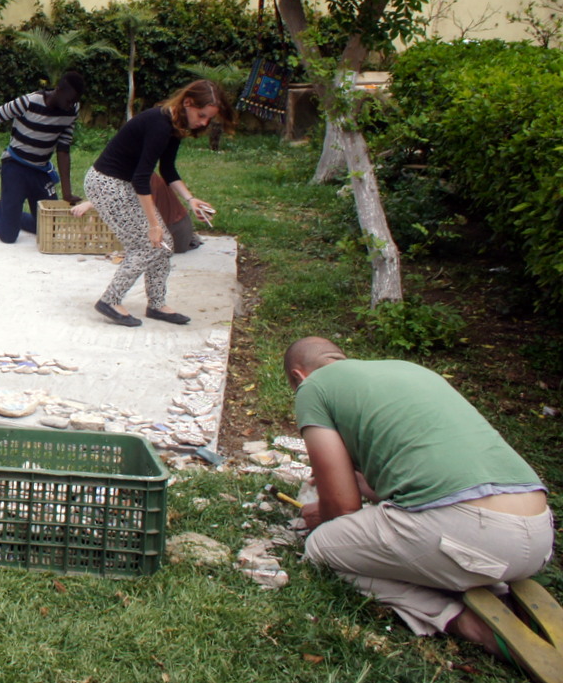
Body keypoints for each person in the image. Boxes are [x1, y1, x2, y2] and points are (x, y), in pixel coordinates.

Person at [284, 336, 554, 652]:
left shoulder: (312, 387)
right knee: (424, 529)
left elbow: (343, 508)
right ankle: (496, 592)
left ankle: (466, 622)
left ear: (297, 376)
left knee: (322, 547)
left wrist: (324, 514)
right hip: (538, 532)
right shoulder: (409, 370)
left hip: (475, 534)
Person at [82, 79, 229, 328]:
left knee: (163, 244)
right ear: (188, 103)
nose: (203, 123)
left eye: (208, 119)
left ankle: (157, 304)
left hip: (123, 183)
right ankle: (110, 300)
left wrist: (191, 199)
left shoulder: (174, 124)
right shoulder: (159, 124)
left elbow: (168, 170)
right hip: (106, 184)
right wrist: (153, 224)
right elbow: (142, 178)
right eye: (201, 115)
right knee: (149, 245)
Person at [0, 71, 84, 242]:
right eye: (68, 100)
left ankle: (7, 213)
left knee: (49, 230)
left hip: (41, 171)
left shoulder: (72, 111)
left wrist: (67, 193)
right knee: (8, 235)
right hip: (16, 166)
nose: (70, 105)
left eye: (75, 102)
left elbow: (63, 149)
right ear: (58, 90)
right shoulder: (28, 102)